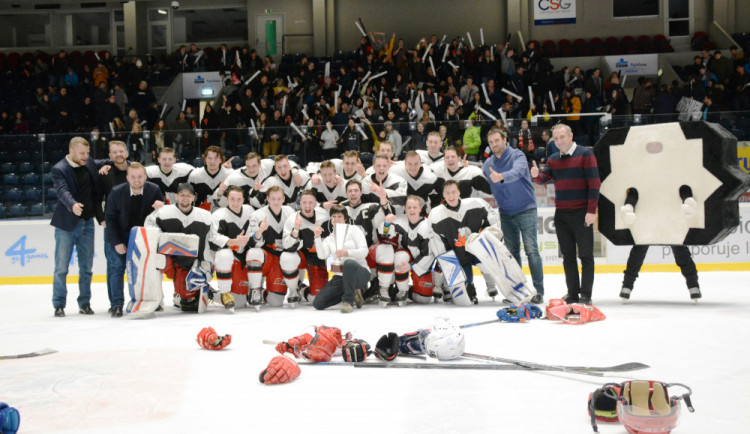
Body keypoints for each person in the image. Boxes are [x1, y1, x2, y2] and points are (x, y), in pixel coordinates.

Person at [531, 123, 600, 304]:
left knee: (585, 255)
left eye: (562, 137)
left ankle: (586, 295)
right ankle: (573, 293)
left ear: (571, 136)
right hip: (561, 214)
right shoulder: (553, 159)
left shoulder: (586, 154)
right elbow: (543, 179)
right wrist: (536, 175)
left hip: (582, 213)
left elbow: (594, 184)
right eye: (556, 138)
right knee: (568, 257)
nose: (559, 141)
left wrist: (591, 211)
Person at [482, 128, 544, 304]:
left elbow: (517, 172)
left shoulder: (518, 156)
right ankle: (518, 291)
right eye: (491, 142)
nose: (494, 145)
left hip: (526, 209)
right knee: (512, 254)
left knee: (532, 250)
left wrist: (501, 176)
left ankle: (538, 291)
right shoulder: (488, 165)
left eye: (497, 140)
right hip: (506, 213)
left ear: (505, 140)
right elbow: (482, 180)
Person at [50, 137, 110, 317]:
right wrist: (72, 204)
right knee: (61, 268)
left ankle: (84, 303)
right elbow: (62, 191)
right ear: (72, 151)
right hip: (66, 225)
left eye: (88, 153)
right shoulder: (59, 169)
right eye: (82, 153)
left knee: (86, 268)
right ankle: (59, 304)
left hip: (87, 224)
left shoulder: (89, 162)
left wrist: (108, 166)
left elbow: (109, 161)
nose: (86, 156)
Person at [144, 182, 218, 312]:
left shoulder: (205, 216)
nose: (185, 198)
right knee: (155, 261)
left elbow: (210, 240)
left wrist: (207, 265)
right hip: (172, 261)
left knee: (187, 293)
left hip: (195, 262)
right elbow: (149, 226)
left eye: (188, 195)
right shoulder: (163, 212)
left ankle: (188, 294)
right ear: (177, 197)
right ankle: (157, 299)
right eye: (182, 195)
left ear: (193, 198)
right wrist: (163, 240)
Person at [618, 187, 701, 301]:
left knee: (681, 251)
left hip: (670, 217)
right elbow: (634, 192)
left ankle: (693, 285)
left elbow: (683, 189)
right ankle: (627, 286)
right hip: (647, 218)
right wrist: (629, 206)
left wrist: (687, 200)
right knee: (638, 251)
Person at [103, 163, 164, 317]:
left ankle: (149, 302)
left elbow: (161, 217)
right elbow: (109, 220)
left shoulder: (154, 190)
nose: (136, 180)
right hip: (120, 235)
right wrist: (117, 242)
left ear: (145, 176)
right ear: (127, 177)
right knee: (117, 268)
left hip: (144, 238)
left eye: (140, 177)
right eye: (133, 177)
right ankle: (116, 304)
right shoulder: (116, 192)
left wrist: (161, 207)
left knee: (148, 270)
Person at [244, 186, 297, 310]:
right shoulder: (257, 215)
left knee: (276, 301)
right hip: (265, 257)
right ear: (267, 199)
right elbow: (251, 244)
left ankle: (265, 292)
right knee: (253, 253)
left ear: (284, 199)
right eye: (273, 199)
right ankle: (255, 290)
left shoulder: (290, 212)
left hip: (280, 260)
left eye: (279, 198)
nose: (276, 202)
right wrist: (260, 231)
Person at [312, 205, 370, 313]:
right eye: (334, 216)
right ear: (330, 219)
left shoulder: (354, 230)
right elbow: (322, 256)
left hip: (360, 273)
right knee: (318, 304)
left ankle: (348, 301)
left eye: (339, 216)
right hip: (341, 276)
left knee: (348, 263)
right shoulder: (330, 238)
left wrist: (346, 253)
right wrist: (317, 237)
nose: (336, 219)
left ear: (345, 219)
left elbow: (364, 252)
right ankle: (352, 291)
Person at [280, 189, 331, 304]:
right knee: (287, 257)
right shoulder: (292, 219)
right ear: (300, 203)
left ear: (316, 203)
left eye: (311, 202)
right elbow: (286, 245)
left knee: (317, 298)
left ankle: (301, 288)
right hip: (300, 255)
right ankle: (292, 289)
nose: (307, 206)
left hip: (317, 257)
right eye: (304, 202)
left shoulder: (324, 215)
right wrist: (296, 230)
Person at [210, 185, 255, 310]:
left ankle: (255, 289)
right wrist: (235, 241)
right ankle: (223, 292)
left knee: (240, 302)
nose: (235, 203)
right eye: (232, 199)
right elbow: (214, 239)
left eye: (239, 199)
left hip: (243, 258)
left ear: (244, 200)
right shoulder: (218, 215)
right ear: (227, 199)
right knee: (224, 254)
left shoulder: (249, 211)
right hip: (227, 259)